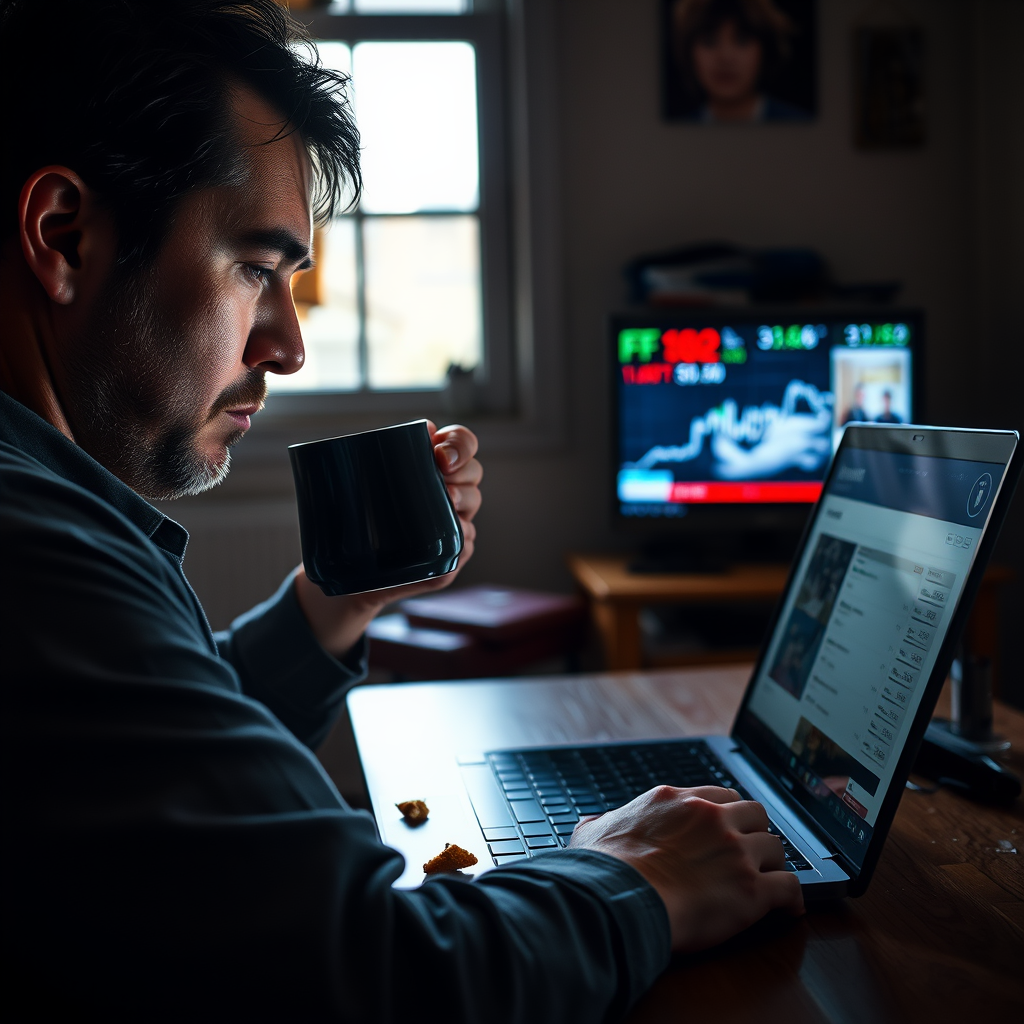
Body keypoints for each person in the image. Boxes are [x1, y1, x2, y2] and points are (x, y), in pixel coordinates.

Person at [0, 2, 802, 1019]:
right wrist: (633, 876)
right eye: (256, 268)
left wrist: (338, 602)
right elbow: (390, 973)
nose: (286, 348)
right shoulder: (35, 550)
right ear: (63, 235)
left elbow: (164, 761)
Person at [667, 0, 812, 123]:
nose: (726, 58)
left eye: (742, 41)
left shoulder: (800, 125)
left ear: (766, 50)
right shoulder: (670, 136)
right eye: (709, 42)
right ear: (689, 52)